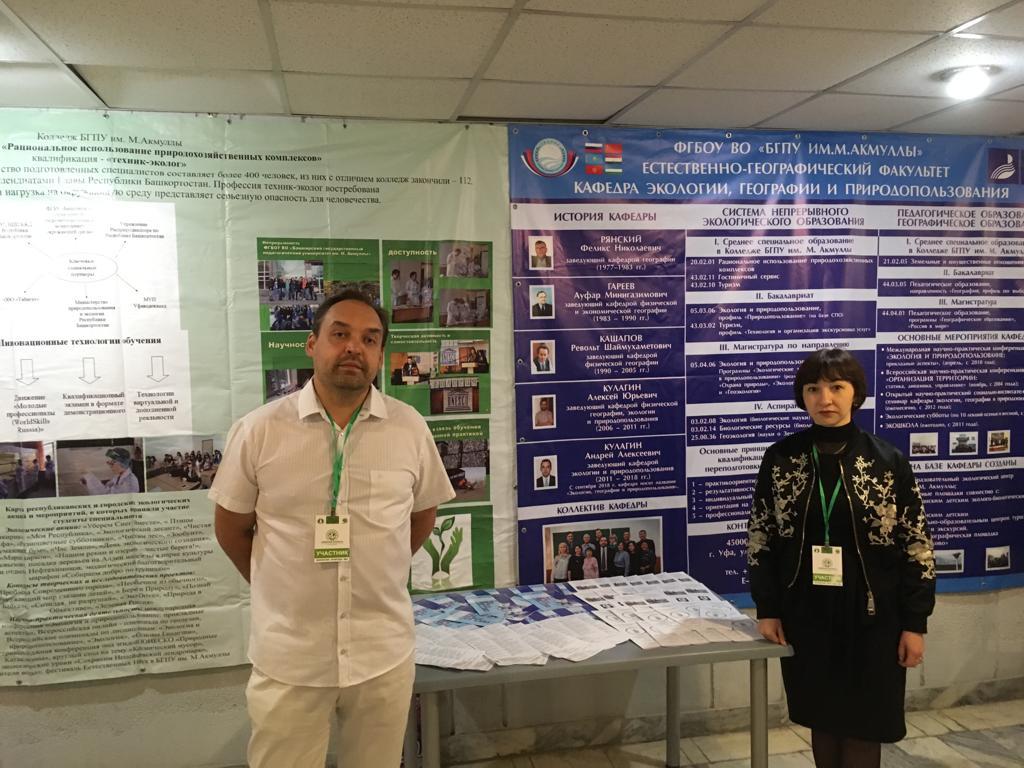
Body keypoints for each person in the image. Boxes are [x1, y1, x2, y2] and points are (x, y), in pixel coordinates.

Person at [210, 290, 456, 768]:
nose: (353, 348)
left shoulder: (409, 428)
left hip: (381, 654)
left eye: (369, 339)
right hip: (291, 656)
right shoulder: (259, 430)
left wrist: (378, 567)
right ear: (312, 344)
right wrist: (281, 586)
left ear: (380, 354)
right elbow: (231, 528)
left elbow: (421, 514)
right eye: (340, 334)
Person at [747, 348, 935, 768]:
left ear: (855, 393)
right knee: (823, 718)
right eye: (813, 389)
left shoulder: (887, 461)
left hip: (874, 617)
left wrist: (915, 622)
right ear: (802, 396)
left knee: (865, 724)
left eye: (836, 387)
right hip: (807, 612)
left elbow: (917, 545)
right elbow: (761, 536)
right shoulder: (782, 459)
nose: (825, 399)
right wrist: (768, 608)